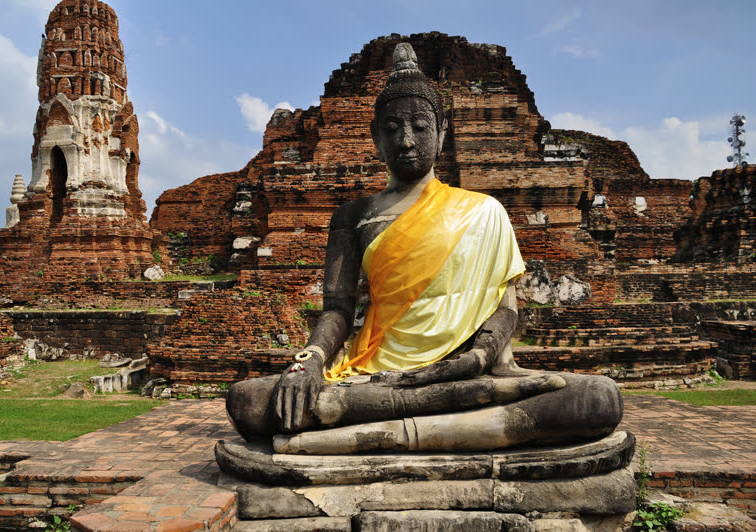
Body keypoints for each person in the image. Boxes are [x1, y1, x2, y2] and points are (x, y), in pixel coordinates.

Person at [226, 43, 622, 454]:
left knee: (597, 399)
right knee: (248, 401)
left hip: (468, 371)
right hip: (377, 374)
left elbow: (506, 310)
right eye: (393, 128)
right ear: (376, 138)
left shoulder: (485, 211)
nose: (407, 139)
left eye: (419, 125)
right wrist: (309, 361)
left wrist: (479, 358)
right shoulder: (353, 216)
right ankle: (459, 424)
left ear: (443, 131)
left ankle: (377, 432)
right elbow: (337, 310)